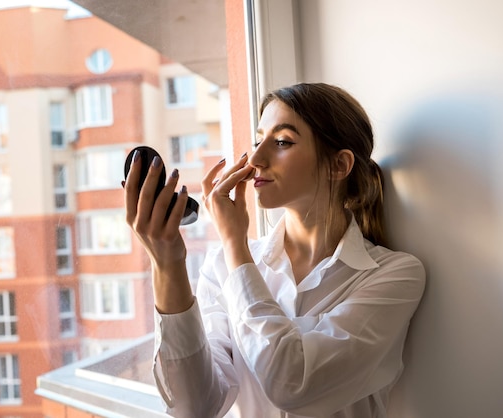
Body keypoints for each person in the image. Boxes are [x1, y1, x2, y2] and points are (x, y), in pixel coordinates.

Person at [124, 82, 426, 418]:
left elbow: (292, 384)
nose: (255, 158)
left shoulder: (394, 276)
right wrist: (167, 264)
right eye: (258, 140)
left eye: (282, 141)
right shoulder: (221, 267)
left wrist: (235, 246)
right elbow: (193, 408)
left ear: (339, 166)